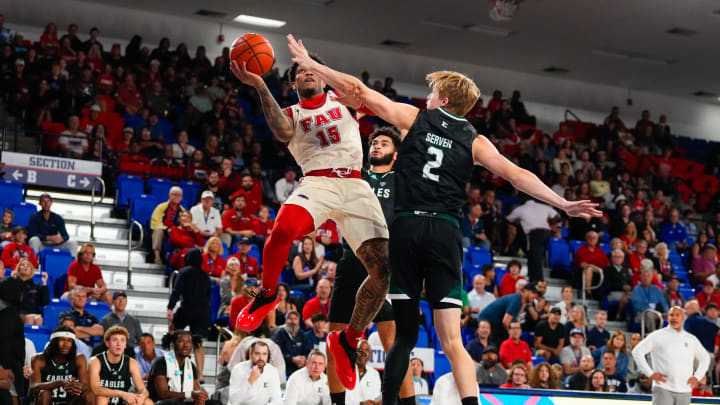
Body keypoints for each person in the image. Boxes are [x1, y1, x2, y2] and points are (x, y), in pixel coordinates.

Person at [286, 35, 601, 405]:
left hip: (407, 226)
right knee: (451, 341)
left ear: (445, 101)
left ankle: (378, 383)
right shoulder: (475, 140)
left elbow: (359, 91)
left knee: (404, 334)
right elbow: (518, 175)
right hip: (446, 233)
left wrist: (313, 64)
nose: (429, 98)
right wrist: (562, 203)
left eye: (433, 93)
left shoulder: (416, 119)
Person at [231, 47, 393, 398]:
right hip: (317, 182)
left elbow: (365, 96)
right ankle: (268, 295)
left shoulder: (344, 101)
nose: (307, 75)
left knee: (383, 271)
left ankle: (347, 340)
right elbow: (280, 131)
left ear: (321, 74)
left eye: (312, 71)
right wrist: (260, 84)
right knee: (283, 230)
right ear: (291, 84)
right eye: (299, 73)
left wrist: (317, 64)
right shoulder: (290, 111)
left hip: (355, 183)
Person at [326, 127, 414, 404]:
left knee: (396, 345)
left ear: (395, 154)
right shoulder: (356, 175)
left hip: (385, 265)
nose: (376, 146)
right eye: (374, 142)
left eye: (383, 143)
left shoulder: (401, 181)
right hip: (351, 261)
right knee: (335, 343)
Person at [633, 306, 711, 405]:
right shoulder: (657, 335)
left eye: (677, 315)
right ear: (667, 318)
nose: (674, 318)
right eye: (671, 315)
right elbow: (637, 351)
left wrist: (697, 376)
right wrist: (650, 373)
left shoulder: (691, 339)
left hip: (685, 389)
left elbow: (705, 358)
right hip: (663, 388)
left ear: (683, 318)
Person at [147, 331, 219, 405]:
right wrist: (189, 394)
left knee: (215, 403)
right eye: (181, 341)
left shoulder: (191, 366)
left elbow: (196, 391)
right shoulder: (161, 363)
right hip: (163, 403)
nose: (186, 345)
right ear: (173, 344)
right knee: (177, 402)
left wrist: (200, 398)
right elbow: (163, 394)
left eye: (189, 342)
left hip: (184, 401)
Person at [29, 326, 94, 405]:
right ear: (54, 342)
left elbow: (86, 386)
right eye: (62, 340)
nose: (66, 344)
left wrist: (75, 386)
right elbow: (33, 387)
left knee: (89, 395)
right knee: (44, 393)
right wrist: (59, 383)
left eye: (70, 341)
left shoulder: (79, 358)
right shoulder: (39, 359)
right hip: (48, 401)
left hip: (70, 401)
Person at [88, 326, 151, 405]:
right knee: (102, 399)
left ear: (125, 344)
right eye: (115, 340)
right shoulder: (95, 361)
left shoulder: (132, 362)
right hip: (101, 400)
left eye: (122, 340)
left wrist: (142, 397)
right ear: (107, 343)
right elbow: (96, 389)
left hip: (122, 401)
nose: (119, 344)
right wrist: (121, 393)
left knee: (147, 402)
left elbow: (143, 389)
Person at [506, 198, 559, 282]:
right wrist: (548, 222)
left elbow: (509, 219)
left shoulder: (522, 208)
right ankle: (534, 279)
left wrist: (519, 221)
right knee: (535, 256)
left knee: (535, 257)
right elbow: (556, 215)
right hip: (546, 233)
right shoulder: (542, 206)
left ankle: (537, 281)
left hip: (535, 234)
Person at [167, 249, 212, 338]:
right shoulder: (206, 275)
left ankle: (172, 350)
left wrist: (170, 307)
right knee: (198, 342)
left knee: (173, 331)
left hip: (187, 308)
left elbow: (176, 291)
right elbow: (208, 296)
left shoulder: (183, 272)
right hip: (202, 312)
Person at [228, 341, 281, 405]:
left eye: (264, 354)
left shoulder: (272, 371)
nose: (261, 358)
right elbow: (234, 401)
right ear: (250, 355)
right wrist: (250, 380)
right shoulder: (238, 369)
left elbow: (277, 400)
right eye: (257, 354)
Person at [151, 187, 186, 264]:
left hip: (176, 232)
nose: (176, 197)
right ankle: (157, 256)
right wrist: (166, 229)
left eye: (179, 195)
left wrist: (175, 230)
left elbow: (184, 224)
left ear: (181, 197)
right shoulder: (161, 207)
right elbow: (155, 222)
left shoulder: (182, 210)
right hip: (163, 231)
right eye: (174, 194)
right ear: (169, 195)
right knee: (158, 231)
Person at [631, 267, 669, 333]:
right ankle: (652, 335)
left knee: (670, 316)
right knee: (649, 315)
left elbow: (663, 302)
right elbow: (637, 305)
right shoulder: (636, 289)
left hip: (656, 313)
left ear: (651, 278)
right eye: (644, 276)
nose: (646, 278)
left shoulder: (656, 289)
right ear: (641, 278)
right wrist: (653, 313)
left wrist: (667, 312)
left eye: (648, 276)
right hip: (641, 314)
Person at [271, 310, 307, 376]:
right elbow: (276, 353)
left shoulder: (302, 334)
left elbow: (308, 350)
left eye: (295, 319)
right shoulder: (279, 334)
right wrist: (291, 359)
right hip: (284, 369)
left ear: (298, 321)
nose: (293, 322)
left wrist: (304, 358)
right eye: (290, 318)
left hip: (300, 368)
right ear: (285, 321)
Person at [13, 258, 49, 325]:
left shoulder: (36, 286)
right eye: (23, 265)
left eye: (28, 265)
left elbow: (44, 302)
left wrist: (44, 283)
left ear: (31, 270)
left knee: (38, 319)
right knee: (30, 318)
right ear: (18, 269)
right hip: (17, 313)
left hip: (33, 314)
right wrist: (12, 281)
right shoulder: (14, 284)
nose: (25, 266)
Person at [602, 249, 633, 320]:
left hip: (627, 292)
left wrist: (630, 287)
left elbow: (630, 282)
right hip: (613, 293)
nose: (618, 259)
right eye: (616, 257)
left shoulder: (626, 270)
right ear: (612, 258)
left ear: (623, 259)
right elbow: (607, 284)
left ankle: (622, 315)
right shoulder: (607, 269)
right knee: (626, 298)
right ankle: (621, 316)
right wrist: (621, 286)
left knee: (635, 298)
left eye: (620, 257)